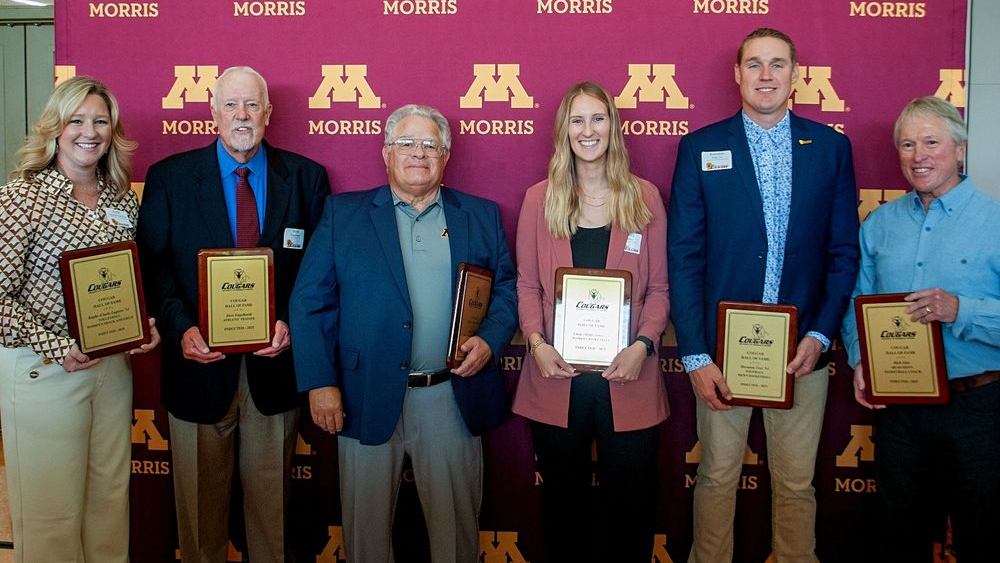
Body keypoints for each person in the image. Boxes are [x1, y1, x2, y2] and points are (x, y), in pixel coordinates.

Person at [289, 104, 517, 563]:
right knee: (366, 537)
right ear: (386, 153)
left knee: (456, 538)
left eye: (430, 144)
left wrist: (491, 340)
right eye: (407, 143)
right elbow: (309, 303)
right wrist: (319, 381)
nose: (419, 153)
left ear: (446, 155)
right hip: (362, 393)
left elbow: (508, 289)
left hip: (450, 395)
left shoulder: (481, 215)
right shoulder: (342, 215)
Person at [667, 28, 860, 563]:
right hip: (722, 354)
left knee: (797, 485)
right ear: (737, 74)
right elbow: (684, 257)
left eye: (778, 65)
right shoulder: (701, 147)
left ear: (796, 75)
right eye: (755, 64)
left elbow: (844, 251)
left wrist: (821, 334)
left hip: (802, 353)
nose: (767, 75)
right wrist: (696, 354)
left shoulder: (831, 149)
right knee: (716, 479)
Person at [136, 66, 329, 563]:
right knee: (200, 525)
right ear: (212, 113)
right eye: (231, 105)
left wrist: (287, 318)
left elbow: (317, 271)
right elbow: (154, 267)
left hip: (274, 370)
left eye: (252, 106)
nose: (241, 116)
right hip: (197, 368)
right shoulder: (170, 178)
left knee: (273, 521)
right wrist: (180, 329)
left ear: (269, 112)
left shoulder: (306, 179)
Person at [0, 76, 160, 563]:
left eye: (100, 121)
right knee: (52, 514)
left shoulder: (120, 199)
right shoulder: (22, 198)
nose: (89, 131)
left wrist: (142, 324)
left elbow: (125, 282)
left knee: (109, 502)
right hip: (44, 370)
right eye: (76, 120)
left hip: (110, 370)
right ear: (55, 128)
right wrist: (54, 345)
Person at [512, 81, 669, 562]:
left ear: (613, 127)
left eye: (597, 118)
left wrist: (642, 344)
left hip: (630, 380)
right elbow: (526, 286)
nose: (588, 130)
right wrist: (537, 344)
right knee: (563, 515)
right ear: (564, 131)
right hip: (556, 379)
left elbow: (660, 290)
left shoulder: (643, 197)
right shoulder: (539, 199)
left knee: (632, 514)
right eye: (577, 120)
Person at [841, 96, 1000, 563]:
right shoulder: (880, 224)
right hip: (900, 410)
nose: (918, 156)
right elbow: (857, 304)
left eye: (931, 142)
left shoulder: (995, 222)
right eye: (907, 145)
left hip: (978, 407)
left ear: (960, 149)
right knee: (896, 533)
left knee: (983, 532)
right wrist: (859, 359)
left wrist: (961, 310)